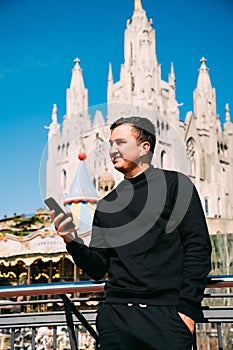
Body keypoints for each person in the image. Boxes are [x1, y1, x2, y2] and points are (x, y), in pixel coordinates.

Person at [52, 116, 212, 350]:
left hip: (165, 318)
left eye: (121, 143)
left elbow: (198, 249)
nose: (112, 150)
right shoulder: (107, 205)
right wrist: (71, 240)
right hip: (116, 319)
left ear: (144, 147)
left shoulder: (176, 185)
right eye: (110, 144)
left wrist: (187, 311)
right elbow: (98, 267)